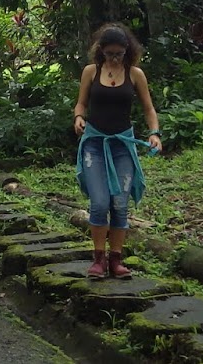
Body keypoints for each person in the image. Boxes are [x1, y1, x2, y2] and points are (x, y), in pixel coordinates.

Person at [73, 22, 162, 280]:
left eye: (119, 54)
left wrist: (154, 133)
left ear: (127, 51)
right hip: (95, 145)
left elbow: (148, 109)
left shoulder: (135, 74)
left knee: (120, 204)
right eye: (110, 53)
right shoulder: (91, 71)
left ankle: (116, 259)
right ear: (101, 51)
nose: (114, 58)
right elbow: (81, 103)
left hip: (122, 146)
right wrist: (79, 117)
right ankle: (98, 259)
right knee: (99, 203)